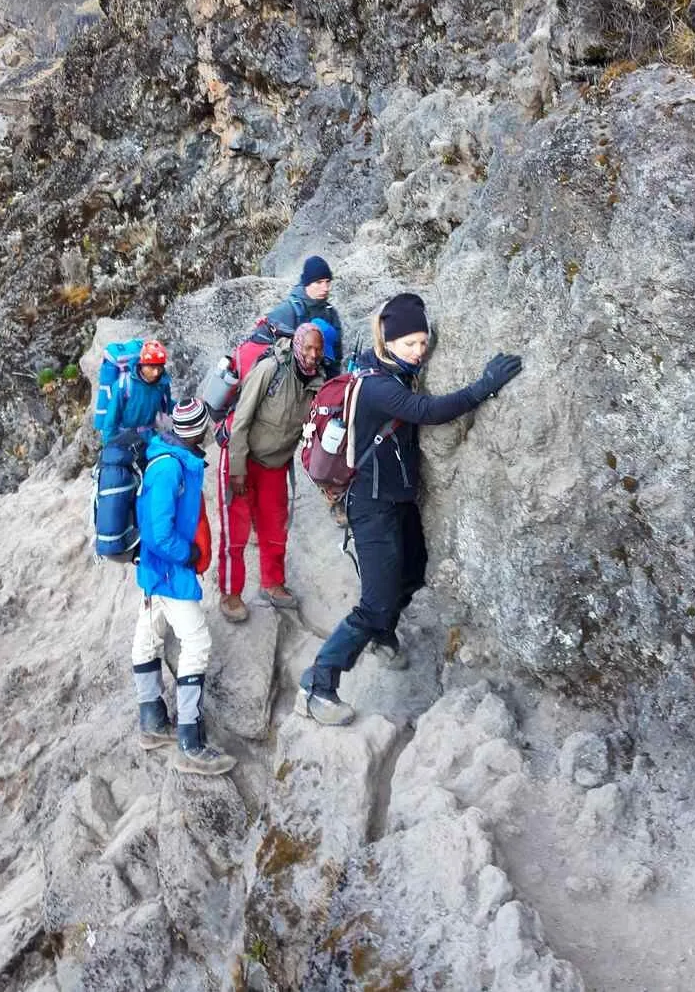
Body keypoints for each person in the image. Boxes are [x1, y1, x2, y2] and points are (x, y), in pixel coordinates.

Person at [296, 293, 522, 726]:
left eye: (423, 342)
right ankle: (317, 684)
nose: (418, 352)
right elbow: (429, 411)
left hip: (395, 498)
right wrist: (484, 385)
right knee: (376, 602)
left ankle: (382, 634)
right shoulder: (379, 386)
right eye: (409, 344)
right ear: (387, 342)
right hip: (370, 504)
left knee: (415, 569)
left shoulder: (390, 373)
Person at [131, 397, 235, 775]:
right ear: (199, 432)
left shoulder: (171, 460)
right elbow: (160, 533)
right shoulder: (170, 469)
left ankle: (153, 723)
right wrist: (189, 555)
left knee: (148, 636)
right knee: (197, 643)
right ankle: (192, 741)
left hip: (155, 571)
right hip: (170, 571)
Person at [217, 323, 326, 621]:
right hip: (242, 456)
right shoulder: (270, 370)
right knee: (236, 528)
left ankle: (273, 583)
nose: (313, 355)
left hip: (274, 464)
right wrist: (237, 469)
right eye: (308, 347)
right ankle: (231, 592)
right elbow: (241, 419)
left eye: (318, 349)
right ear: (296, 345)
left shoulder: (317, 383)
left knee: (275, 525)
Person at [265, 256, 344, 374]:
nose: (325, 288)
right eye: (319, 282)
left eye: (328, 282)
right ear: (307, 283)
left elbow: (336, 355)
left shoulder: (330, 312)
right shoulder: (287, 311)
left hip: (323, 379)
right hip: (290, 381)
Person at [102, 339, 173, 442]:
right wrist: (109, 446)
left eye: (160, 367)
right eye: (152, 367)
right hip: (125, 438)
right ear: (142, 364)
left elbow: (168, 404)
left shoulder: (162, 383)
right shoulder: (124, 385)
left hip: (150, 437)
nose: (156, 373)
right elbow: (111, 421)